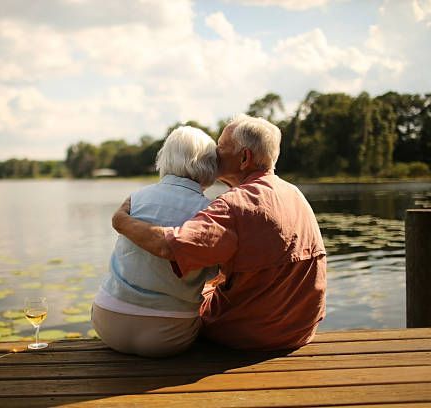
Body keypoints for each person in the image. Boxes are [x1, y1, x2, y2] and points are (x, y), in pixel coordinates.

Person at [112, 115, 326, 351]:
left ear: (244, 158)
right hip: (299, 330)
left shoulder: (234, 204)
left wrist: (121, 221)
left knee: (191, 295)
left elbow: (169, 247)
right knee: (208, 284)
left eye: (221, 147)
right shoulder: (294, 193)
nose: (214, 153)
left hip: (252, 334)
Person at [92, 125, 219, 358]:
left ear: (165, 158)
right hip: (168, 335)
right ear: (210, 165)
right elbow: (213, 273)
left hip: (107, 322)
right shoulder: (211, 211)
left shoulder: (135, 198)